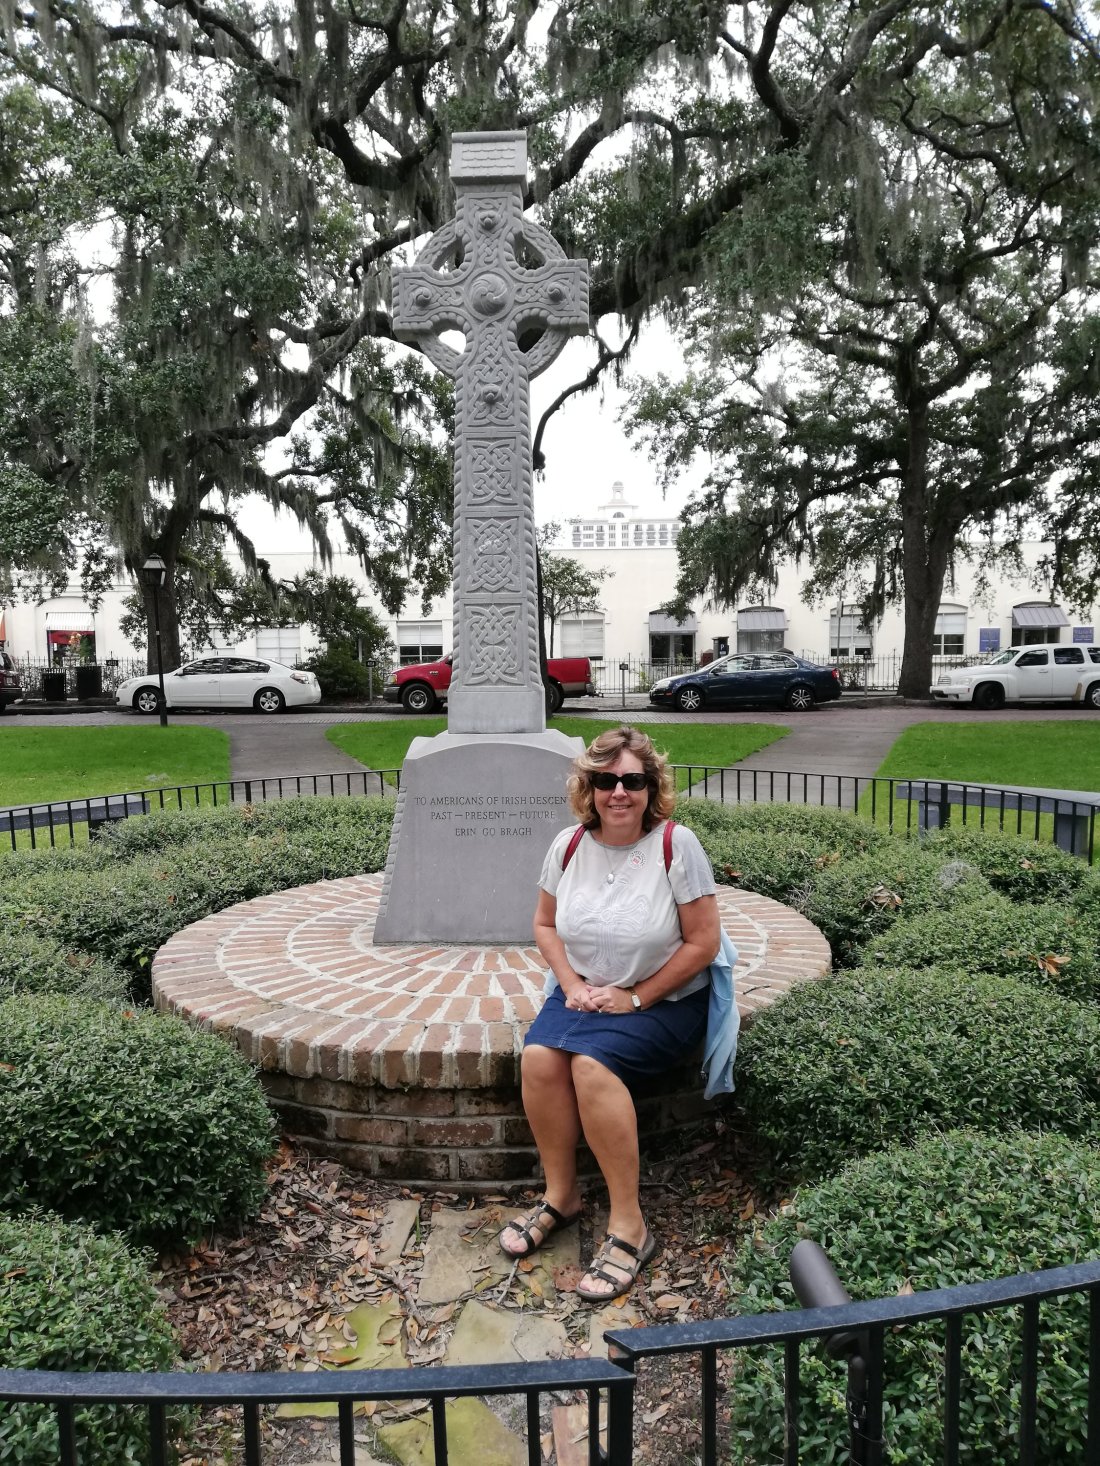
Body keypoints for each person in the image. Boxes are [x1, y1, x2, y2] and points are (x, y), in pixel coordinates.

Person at [498, 725, 720, 1304]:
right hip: (584, 992)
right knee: (540, 1059)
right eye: (606, 781)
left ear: (652, 787)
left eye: (633, 781)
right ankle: (561, 1197)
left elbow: (704, 943)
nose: (618, 793)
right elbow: (544, 924)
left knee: (591, 1066)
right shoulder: (568, 845)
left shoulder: (676, 845)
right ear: (589, 787)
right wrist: (571, 983)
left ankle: (629, 1224)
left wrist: (635, 997)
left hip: (664, 1000)